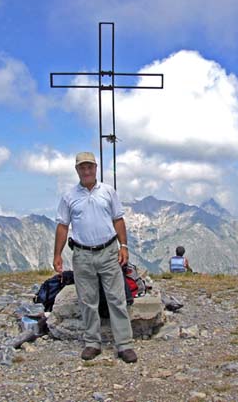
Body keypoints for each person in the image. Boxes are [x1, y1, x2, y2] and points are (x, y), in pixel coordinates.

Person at [53, 152, 137, 363]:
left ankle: (124, 345)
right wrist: (57, 255)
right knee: (87, 300)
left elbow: (118, 220)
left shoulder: (108, 192)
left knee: (116, 299)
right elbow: (63, 227)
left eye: (90, 167)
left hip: (109, 251)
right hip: (82, 254)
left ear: (96, 168)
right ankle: (92, 343)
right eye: (83, 167)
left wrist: (123, 246)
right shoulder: (69, 197)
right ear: (77, 170)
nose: (87, 171)